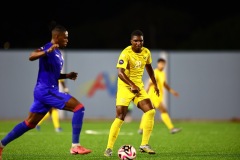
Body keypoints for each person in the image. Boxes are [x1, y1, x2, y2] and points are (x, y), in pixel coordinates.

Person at [0, 24, 91, 159]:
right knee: (79, 108)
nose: (67, 40)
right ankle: (75, 146)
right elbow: (31, 56)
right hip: (46, 91)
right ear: (56, 36)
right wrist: (46, 52)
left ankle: (0, 145)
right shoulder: (48, 47)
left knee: (29, 123)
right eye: (65, 38)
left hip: (44, 91)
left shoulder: (58, 53)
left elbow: (53, 74)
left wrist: (66, 76)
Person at [104, 30, 160, 157]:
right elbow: (120, 73)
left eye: (140, 40)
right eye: (135, 41)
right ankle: (109, 148)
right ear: (131, 42)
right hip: (125, 87)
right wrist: (132, 85)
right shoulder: (126, 53)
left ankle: (144, 144)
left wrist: (155, 83)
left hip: (138, 87)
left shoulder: (146, 52)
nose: (138, 43)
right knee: (120, 117)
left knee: (150, 111)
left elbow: (149, 68)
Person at [138, 58, 181, 134]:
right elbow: (150, 83)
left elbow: (164, 84)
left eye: (163, 64)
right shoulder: (155, 72)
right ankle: (171, 128)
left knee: (148, 112)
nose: (162, 65)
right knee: (163, 110)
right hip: (154, 95)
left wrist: (172, 91)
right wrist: (145, 94)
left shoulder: (162, 73)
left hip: (157, 96)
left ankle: (141, 129)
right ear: (158, 64)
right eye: (160, 64)